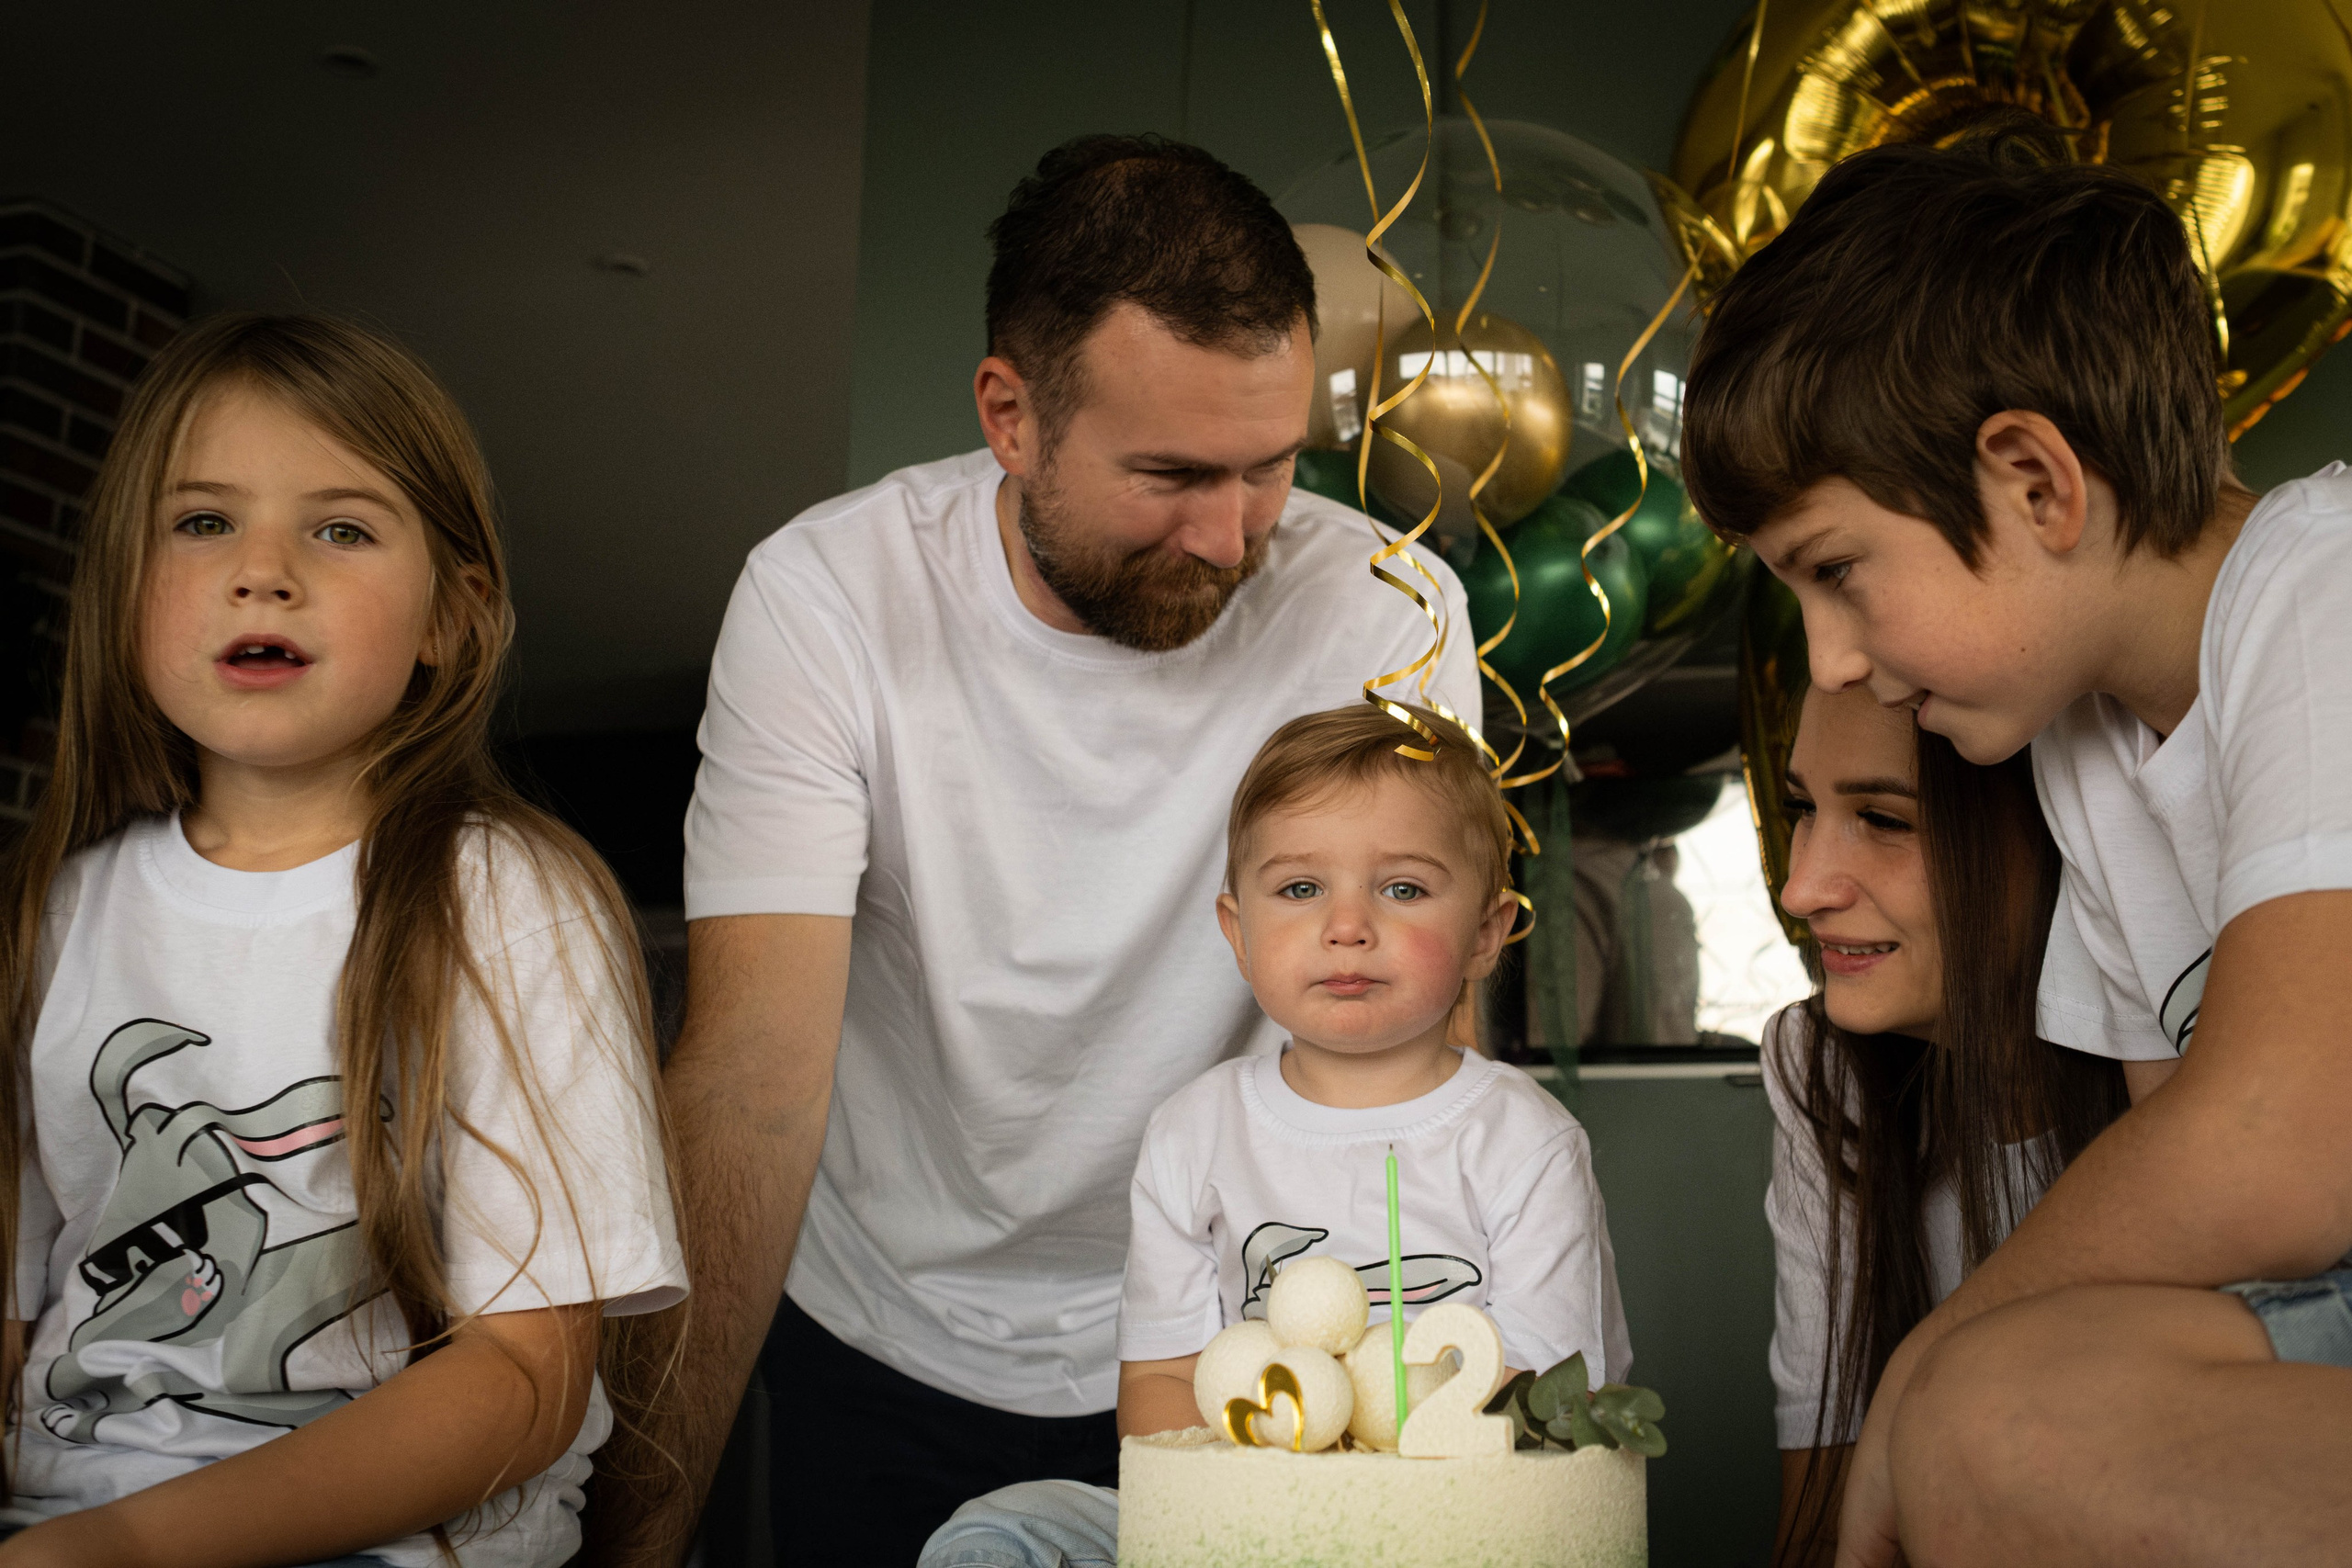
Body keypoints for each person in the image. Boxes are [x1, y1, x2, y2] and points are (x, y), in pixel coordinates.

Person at [595, 137, 1476, 1566]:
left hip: (1244, 1334)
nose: (1235, 533)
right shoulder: (826, 597)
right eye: (1174, 474)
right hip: (883, 1325)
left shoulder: (1387, 610)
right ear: (1011, 414)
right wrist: (633, 1536)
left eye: (1273, 467)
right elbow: (753, 1079)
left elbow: (1412, 1063)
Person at [1682, 113, 2352, 1566]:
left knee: (1998, 1413)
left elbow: (2282, 1154)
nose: (1835, 657)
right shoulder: (2090, 752)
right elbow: (2196, 1231)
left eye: (1839, 570)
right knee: (2023, 1406)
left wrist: (1930, 1369)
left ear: (2037, 481)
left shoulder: (2324, 581)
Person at [0, 313, 685, 1568]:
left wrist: (121, 1548)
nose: (263, 570)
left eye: (340, 527)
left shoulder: (509, 899)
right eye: (202, 520)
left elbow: (524, 1377)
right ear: (125, 588)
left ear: (454, 617)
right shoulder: (53, 910)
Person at [917, 703, 1630, 1567]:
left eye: (1402, 887)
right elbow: (1162, 1382)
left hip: (1453, 1530)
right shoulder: (1194, 1133)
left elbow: (1555, 1406)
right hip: (1241, 1525)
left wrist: (1367, 1503)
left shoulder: (1524, 1140)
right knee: (1003, 1530)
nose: (1347, 925)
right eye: (1300, 888)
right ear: (1238, 933)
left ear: (1486, 931)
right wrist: (1264, 1517)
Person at [1762, 682, 2125, 1564]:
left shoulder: (2196, 1075)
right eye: (1804, 808)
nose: (1800, 885)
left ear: (2060, 828)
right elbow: (1824, 1514)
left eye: (1885, 819)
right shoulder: (1821, 1062)